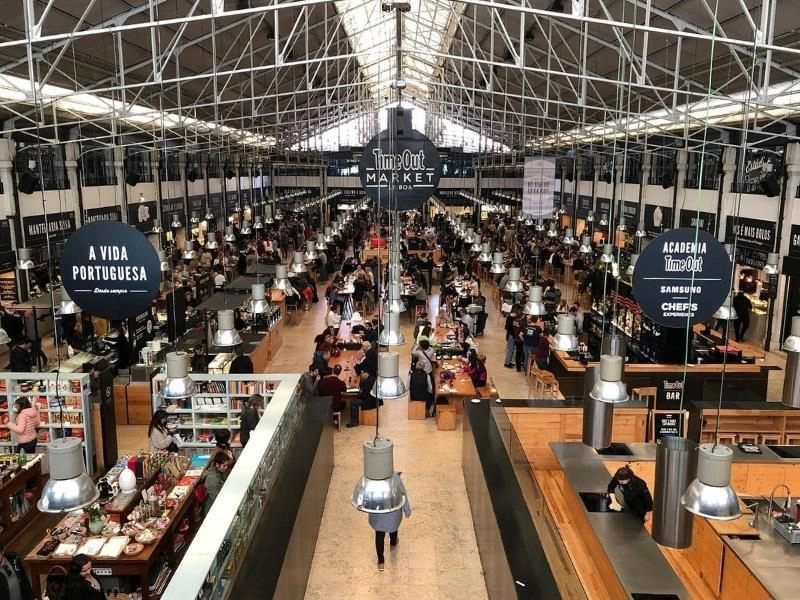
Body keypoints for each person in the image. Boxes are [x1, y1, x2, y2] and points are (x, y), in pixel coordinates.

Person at [368, 472, 411, 571]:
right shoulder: (395, 478)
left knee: (379, 536)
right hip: (393, 514)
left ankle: (381, 562)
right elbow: (403, 494)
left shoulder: (372, 478)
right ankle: (393, 542)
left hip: (377, 516)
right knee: (393, 529)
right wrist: (407, 510)